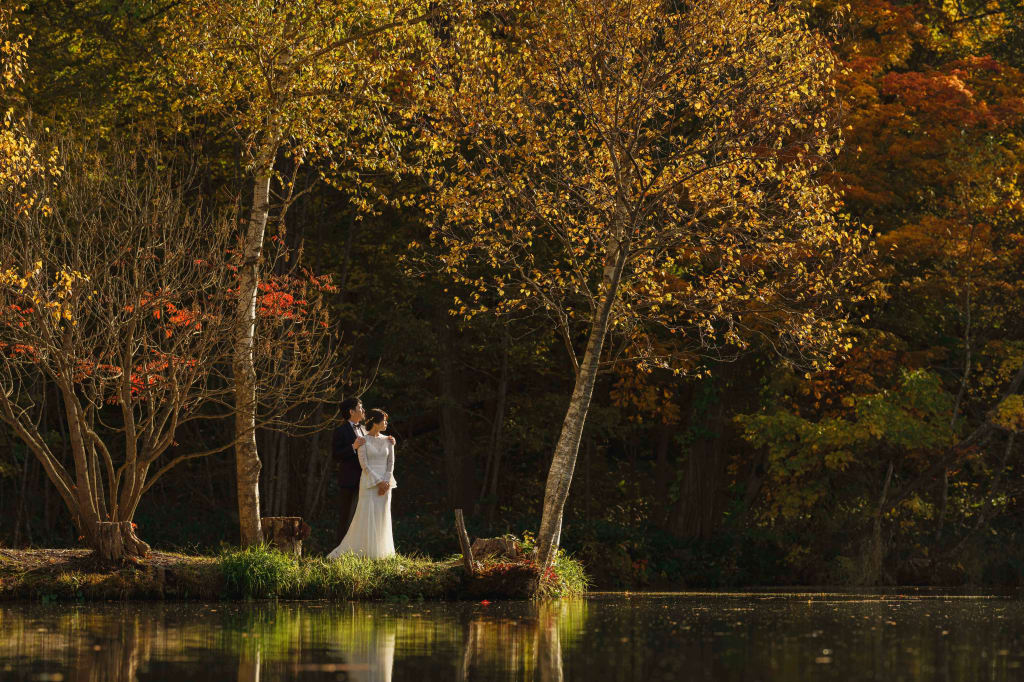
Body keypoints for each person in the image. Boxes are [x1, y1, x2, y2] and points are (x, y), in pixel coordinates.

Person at [328, 408, 397, 559]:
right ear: (376, 422)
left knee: (383, 515)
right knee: (366, 515)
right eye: (384, 420)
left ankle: (382, 553)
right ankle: (365, 552)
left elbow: (391, 462)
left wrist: (385, 481)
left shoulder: (389, 440)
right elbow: (364, 465)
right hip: (369, 482)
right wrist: (378, 482)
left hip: (386, 484)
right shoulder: (363, 441)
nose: (386, 423)